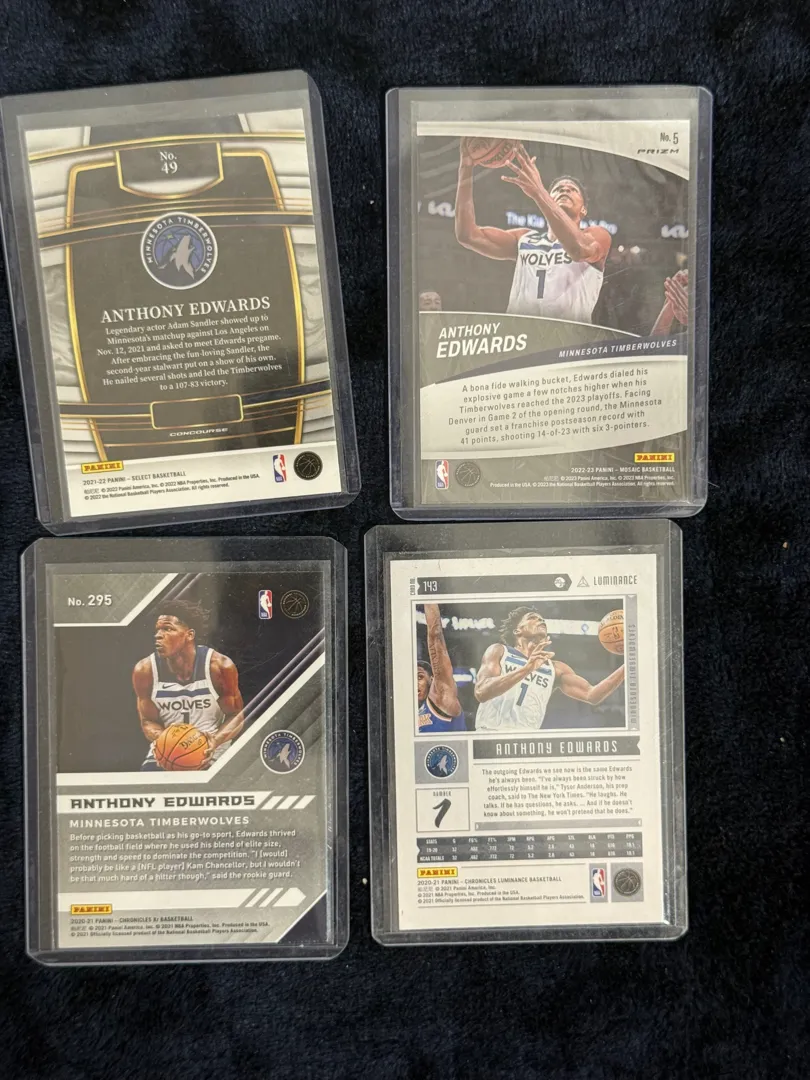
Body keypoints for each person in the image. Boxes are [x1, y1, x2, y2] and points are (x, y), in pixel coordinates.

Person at [454, 140, 611, 322]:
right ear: (549, 199)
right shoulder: (524, 238)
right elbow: (467, 235)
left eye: (572, 190)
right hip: (521, 335)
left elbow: (579, 250)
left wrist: (539, 191)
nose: (565, 190)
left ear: (583, 209)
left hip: (568, 336)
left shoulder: (597, 234)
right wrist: (465, 167)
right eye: (558, 189)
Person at [132, 598, 245, 770]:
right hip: (167, 750)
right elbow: (148, 720)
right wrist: (166, 739)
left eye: (167, 629)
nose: (158, 635)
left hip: (211, 749)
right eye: (157, 630)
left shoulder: (219, 667)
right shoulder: (145, 670)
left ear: (189, 635)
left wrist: (215, 741)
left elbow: (236, 716)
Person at [474, 606, 624, 731]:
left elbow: (592, 695)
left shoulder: (555, 668)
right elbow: (481, 692)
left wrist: (628, 664)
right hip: (490, 735)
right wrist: (526, 669)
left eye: (542, 619)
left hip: (527, 742)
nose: (541, 620)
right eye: (533, 617)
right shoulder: (499, 651)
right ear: (517, 631)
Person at [417, 603, 465, 732]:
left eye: (420, 677)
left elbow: (435, 637)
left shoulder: (442, 697)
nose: (415, 684)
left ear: (432, 680)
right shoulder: (410, 713)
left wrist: (428, 598)